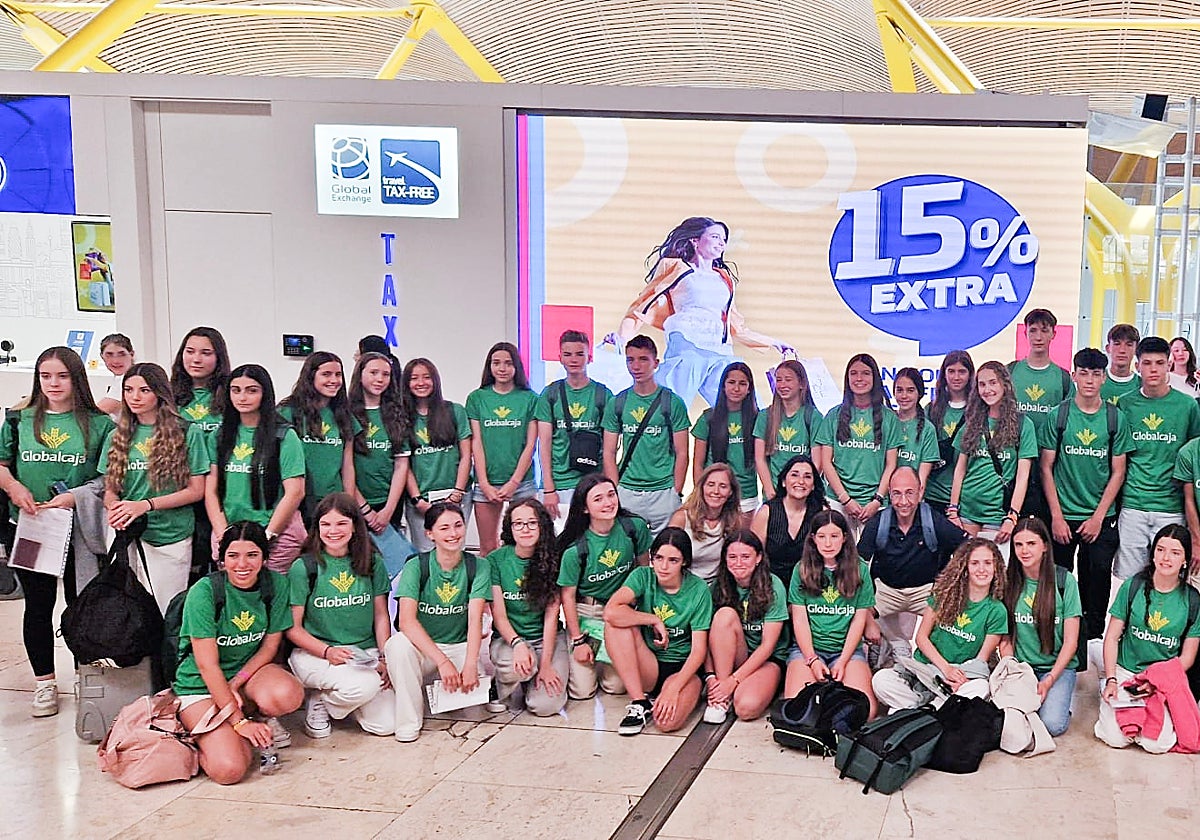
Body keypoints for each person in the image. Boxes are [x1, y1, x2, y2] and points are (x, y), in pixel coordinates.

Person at [0, 347, 114, 717]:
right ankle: (45, 683)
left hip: (77, 530)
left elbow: (108, 478)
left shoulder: (98, 424)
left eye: (62, 376)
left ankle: (86, 673)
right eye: (46, 376)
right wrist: (14, 488)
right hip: (32, 527)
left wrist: (76, 498)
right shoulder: (19, 419)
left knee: (81, 604)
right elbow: (3, 464)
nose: (53, 384)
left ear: (76, 378)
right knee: (37, 605)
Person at [607, 216, 792, 408]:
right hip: (687, 346)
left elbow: (736, 328)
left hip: (719, 351)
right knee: (666, 409)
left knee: (747, 409)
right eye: (714, 236)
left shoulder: (724, 279)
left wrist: (773, 343)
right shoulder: (676, 268)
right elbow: (641, 307)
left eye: (724, 239)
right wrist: (621, 337)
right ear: (695, 241)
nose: (721, 243)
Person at [174, 521, 304, 784]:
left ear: (265, 558)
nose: (242, 564)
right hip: (201, 685)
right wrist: (238, 722)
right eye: (233, 555)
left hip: (245, 676)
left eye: (252, 555)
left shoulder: (276, 585)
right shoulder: (204, 592)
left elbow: (269, 647)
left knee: (288, 694)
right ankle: (207, 735)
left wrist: (236, 683)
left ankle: (246, 723)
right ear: (221, 559)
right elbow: (207, 666)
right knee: (229, 771)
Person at [1039, 347, 1132, 642]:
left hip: (1100, 518)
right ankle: (1057, 639)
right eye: (1084, 373)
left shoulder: (1115, 418)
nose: (1090, 380)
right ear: (1075, 375)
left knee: (1098, 582)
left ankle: (1093, 642)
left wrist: (1098, 517)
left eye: (1096, 374)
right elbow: (1045, 467)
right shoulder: (1059, 415)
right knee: (1058, 582)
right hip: (1062, 516)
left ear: (1103, 378)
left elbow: (1118, 471)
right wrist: (1055, 516)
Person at [101, 362, 209, 614]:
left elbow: (196, 490)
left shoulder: (186, 431)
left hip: (170, 534)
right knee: (129, 612)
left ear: (159, 392)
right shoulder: (116, 435)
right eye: (128, 390)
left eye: (144, 390)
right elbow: (110, 489)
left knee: (166, 611)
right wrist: (115, 507)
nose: (134, 397)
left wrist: (145, 505)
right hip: (126, 534)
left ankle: (167, 655)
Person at [285, 494, 394, 739]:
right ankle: (320, 697)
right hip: (316, 653)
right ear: (317, 528)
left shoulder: (372, 562)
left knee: (387, 725)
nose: (333, 531)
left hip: (363, 654)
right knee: (365, 686)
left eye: (341, 523)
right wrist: (327, 652)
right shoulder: (304, 567)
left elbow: (381, 615)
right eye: (326, 524)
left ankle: (337, 700)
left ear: (355, 526)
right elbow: (293, 628)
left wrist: (385, 657)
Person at [385, 502, 490, 743]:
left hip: (459, 645)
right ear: (430, 534)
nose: (453, 534)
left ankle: (437, 683)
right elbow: (407, 622)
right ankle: (409, 722)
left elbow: (475, 619)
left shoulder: (478, 566)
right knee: (397, 646)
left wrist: (472, 664)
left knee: (473, 706)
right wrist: (442, 662)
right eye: (444, 528)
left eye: (458, 526)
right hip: (425, 648)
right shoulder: (416, 566)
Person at [1096, 524, 1200, 752]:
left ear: (1185, 560)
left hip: (1161, 677)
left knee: (1157, 744)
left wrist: (1155, 682)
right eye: (1161, 550)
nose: (1166, 558)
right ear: (1152, 553)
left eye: (1175, 552)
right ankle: (1104, 685)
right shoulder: (1132, 586)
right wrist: (1113, 679)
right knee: (1116, 738)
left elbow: (1188, 657)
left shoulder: (1192, 600)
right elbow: (1112, 637)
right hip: (1125, 671)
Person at [872, 539, 1009, 711]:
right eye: (974, 563)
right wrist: (945, 669)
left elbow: (981, 660)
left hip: (961, 677)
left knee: (981, 688)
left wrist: (957, 678)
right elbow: (921, 638)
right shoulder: (944, 595)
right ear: (964, 567)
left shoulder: (997, 610)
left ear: (996, 567)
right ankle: (928, 711)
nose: (982, 569)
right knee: (881, 679)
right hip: (927, 670)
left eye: (988, 563)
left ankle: (913, 712)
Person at [605, 526, 713, 735]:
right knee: (616, 625)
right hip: (650, 664)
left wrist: (674, 688)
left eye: (673, 560)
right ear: (652, 558)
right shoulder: (642, 576)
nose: (664, 566)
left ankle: (676, 693)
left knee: (666, 723)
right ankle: (640, 701)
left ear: (684, 562)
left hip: (683, 668)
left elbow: (699, 650)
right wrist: (652, 619)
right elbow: (610, 612)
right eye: (659, 558)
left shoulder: (698, 590)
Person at [556, 473, 652, 700]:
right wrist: (578, 639)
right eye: (598, 499)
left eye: (611, 495)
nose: (608, 503)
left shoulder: (633, 527)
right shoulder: (574, 549)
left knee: (616, 686)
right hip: (588, 612)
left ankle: (607, 657)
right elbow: (567, 597)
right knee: (582, 691)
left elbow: (644, 572)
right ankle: (577, 650)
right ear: (585, 508)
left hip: (621, 611)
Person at [857, 466, 968, 661]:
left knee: (954, 621)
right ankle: (881, 649)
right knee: (855, 613)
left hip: (925, 591)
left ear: (921, 492)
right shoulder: (878, 522)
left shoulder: (933, 520)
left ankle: (939, 661)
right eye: (897, 494)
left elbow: (968, 547)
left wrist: (948, 583)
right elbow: (856, 565)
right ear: (889, 494)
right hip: (886, 591)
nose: (903, 501)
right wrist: (866, 619)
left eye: (909, 493)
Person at [205, 364, 307, 573]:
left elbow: (295, 492)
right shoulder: (219, 436)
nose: (242, 397)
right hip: (231, 532)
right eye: (236, 390)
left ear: (265, 394)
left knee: (273, 597)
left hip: (275, 534)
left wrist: (268, 536)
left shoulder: (284, 436)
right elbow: (211, 491)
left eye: (251, 390)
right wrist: (224, 537)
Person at [1115, 337, 1200, 580]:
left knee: (1170, 580)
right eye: (1147, 363)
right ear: (1137, 366)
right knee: (1129, 582)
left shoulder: (1187, 406)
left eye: (1160, 363)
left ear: (1169, 365)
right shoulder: (1126, 404)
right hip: (1133, 505)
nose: (1153, 369)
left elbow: (1194, 458)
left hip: (1172, 508)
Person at [783, 510, 877, 719]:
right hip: (808, 650)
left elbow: (859, 620)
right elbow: (800, 620)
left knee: (866, 712)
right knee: (797, 709)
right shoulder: (801, 569)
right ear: (813, 539)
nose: (828, 543)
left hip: (847, 651)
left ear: (844, 538)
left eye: (834, 536)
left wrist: (842, 661)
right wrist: (812, 659)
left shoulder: (860, 570)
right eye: (822, 536)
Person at [486, 499, 568, 716]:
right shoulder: (495, 560)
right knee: (522, 666)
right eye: (518, 524)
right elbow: (499, 617)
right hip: (508, 638)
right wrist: (518, 643)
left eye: (532, 523)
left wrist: (547, 664)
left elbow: (552, 616)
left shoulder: (554, 559)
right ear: (509, 528)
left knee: (544, 706)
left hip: (545, 639)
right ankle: (501, 686)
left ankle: (531, 677)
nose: (525, 529)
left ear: (542, 526)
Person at [1000, 517, 1081, 737]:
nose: (1024, 550)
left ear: (1044, 546)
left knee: (1051, 725)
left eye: (1031, 543)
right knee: (1008, 723)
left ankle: (1061, 697)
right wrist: (1012, 668)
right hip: (1022, 668)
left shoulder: (1065, 580)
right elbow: (1005, 637)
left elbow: (1071, 641)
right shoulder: (1009, 581)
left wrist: (1050, 679)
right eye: (1019, 544)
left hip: (1056, 668)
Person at [601, 335, 690, 534]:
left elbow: (682, 452)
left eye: (643, 359)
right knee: (628, 551)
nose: (636, 366)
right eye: (630, 360)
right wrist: (615, 489)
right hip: (627, 490)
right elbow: (608, 452)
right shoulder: (618, 402)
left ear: (655, 363)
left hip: (664, 491)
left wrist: (675, 491)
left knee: (666, 551)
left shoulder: (672, 402)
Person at [948, 361, 1037, 544]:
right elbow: (960, 470)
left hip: (998, 515)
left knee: (992, 568)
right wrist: (953, 510)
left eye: (992, 382)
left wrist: (1012, 517)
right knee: (966, 569)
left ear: (1005, 384)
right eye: (982, 384)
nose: (987, 389)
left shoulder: (1023, 425)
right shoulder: (971, 422)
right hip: (966, 513)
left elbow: (1022, 477)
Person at [703, 530, 788, 723]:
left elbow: (768, 646)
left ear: (758, 557)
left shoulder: (774, 585)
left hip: (766, 659)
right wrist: (711, 678)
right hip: (734, 656)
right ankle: (721, 700)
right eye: (732, 557)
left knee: (746, 709)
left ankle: (732, 688)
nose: (738, 563)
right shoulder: (717, 586)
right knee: (725, 615)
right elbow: (704, 639)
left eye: (745, 556)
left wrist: (734, 681)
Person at [466, 342, 539, 555]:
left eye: (508, 363)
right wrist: (484, 483)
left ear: (516, 366)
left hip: (522, 483)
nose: (502, 368)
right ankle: (490, 589)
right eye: (496, 363)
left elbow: (530, 445)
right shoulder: (477, 398)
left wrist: (514, 482)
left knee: (526, 545)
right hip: (486, 483)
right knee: (488, 547)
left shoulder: (530, 399)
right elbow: (476, 443)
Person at [815, 353, 900, 536]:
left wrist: (877, 500)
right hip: (838, 501)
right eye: (854, 373)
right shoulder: (834, 415)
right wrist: (845, 500)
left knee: (872, 562)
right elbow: (826, 462)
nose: (859, 378)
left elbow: (891, 464)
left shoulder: (889, 418)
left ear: (875, 378)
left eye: (865, 373)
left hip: (875, 504)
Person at [536, 329, 612, 526]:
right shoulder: (550, 394)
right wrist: (548, 488)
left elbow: (610, 447)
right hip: (559, 485)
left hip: (592, 482)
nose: (574, 359)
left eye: (580, 354)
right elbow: (544, 444)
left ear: (589, 357)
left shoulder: (603, 394)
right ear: (560, 358)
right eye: (568, 354)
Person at [399, 358, 472, 553]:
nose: (421, 383)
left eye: (426, 377)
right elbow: (403, 464)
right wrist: (418, 500)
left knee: (454, 552)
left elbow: (466, 455)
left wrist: (457, 493)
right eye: (414, 378)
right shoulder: (401, 418)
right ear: (406, 383)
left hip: (457, 496)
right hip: (422, 501)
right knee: (425, 555)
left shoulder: (454, 411)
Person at [1009, 309, 1074, 523]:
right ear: (1025, 333)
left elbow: (1069, 421)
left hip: (1049, 467)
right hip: (1012, 464)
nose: (1038, 337)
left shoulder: (1063, 378)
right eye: (1033, 330)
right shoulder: (1010, 372)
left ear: (1053, 334)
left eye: (1044, 331)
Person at [278, 351, 360, 519]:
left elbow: (348, 465)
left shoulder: (344, 415)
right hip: (296, 501)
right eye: (326, 374)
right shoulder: (287, 412)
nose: (334, 380)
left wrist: (349, 504)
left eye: (338, 375)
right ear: (311, 376)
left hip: (332, 502)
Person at [348, 351, 410, 535]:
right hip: (354, 502)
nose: (380, 379)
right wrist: (365, 510)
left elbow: (401, 464)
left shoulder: (397, 414)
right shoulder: (346, 412)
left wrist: (388, 510)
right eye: (373, 373)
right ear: (360, 375)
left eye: (386, 374)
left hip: (390, 503)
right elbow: (346, 467)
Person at [691, 362, 760, 518]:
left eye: (742, 384)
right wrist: (700, 493)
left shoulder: (758, 419)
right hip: (714, 496)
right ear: (723, 386)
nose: (736, 388)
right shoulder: (708, 418)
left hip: (746, 495)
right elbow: (698, 463)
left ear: (749, 389)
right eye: (731, 383)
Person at [750, 454, 826, 586]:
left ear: (813, 485)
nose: (801, 481)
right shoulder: (766, 512)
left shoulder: (822, 513)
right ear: (784, 481)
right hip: (770, 585)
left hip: (810, 585)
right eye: (794, 475)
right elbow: (753, 554)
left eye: (807, 476)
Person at [754, 360, 820, 500]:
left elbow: (817, 463)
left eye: (788, 380)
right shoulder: (765, 416)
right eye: (779, 380)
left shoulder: (813, 416)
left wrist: (803, 492)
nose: (782, 385)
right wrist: (771, 493)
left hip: (803, 497)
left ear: (801, 384)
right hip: (774, 496)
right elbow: (760, 459)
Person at [668, 463, 742, 582]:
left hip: (719, 585)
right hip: (686, 584)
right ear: (702, 487)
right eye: (710, 485)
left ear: (730, 492)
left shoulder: (735, 520)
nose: (716, 491)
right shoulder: (681, 518)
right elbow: (668, 558)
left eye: (723, 486)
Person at [925, 351, 974, 515]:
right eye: (951, 371)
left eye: (962, 372)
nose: (956, 377)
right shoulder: (931, 410)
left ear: (970, 375)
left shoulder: (977, 411)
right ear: (944, 374)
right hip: (932, 494)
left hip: (964, 497)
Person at [170, 326, 231, 436]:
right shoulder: (168, 395)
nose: (196, 359)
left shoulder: (232, 395)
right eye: (190, 352)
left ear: (219, 357)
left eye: (206, 353)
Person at [891, 366, 940, 488]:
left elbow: (922, 480)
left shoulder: (928, 429)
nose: (904, 396)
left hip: (911, 500)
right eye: (899, 390)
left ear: (920, 393)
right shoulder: (886, 421)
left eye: (910, 390)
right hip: (883, 500)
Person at [96, 333, 134, 417]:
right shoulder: (118, 378)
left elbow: (99, 411)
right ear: (102, 356)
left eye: (122, 354)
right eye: (109, 355)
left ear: (131, 354)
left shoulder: (130, 379)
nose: (116, 360)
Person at [1101, 323, 1141, 406]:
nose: (1122, 350)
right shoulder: (1096, 380)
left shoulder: (1143, 385)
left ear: (1136, 349)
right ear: (1108, 348)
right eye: (1117, 344)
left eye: (1129, 344)